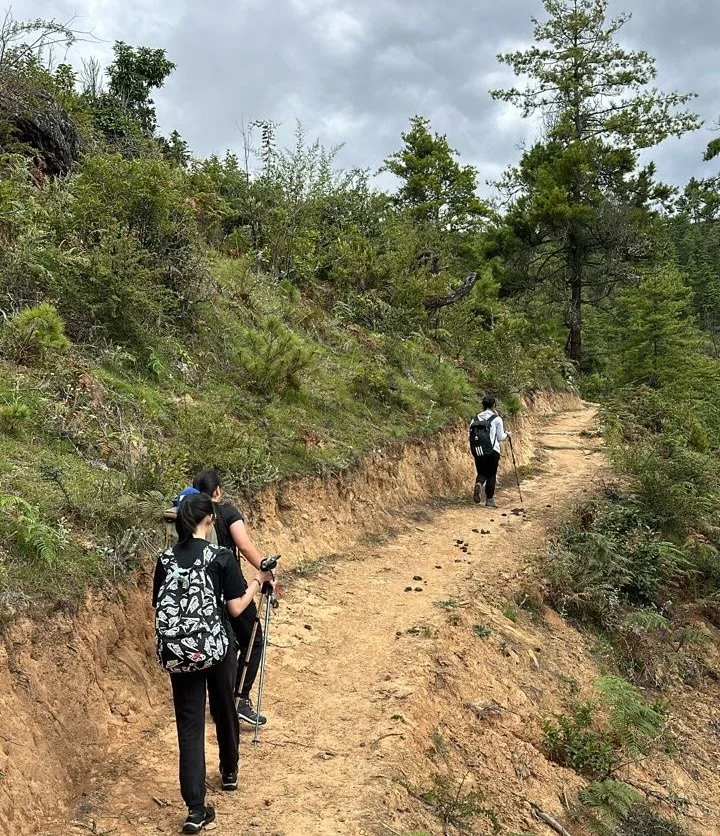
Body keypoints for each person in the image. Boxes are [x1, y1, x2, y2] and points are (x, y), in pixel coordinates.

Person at [153, 492, 274, 833]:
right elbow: (236, 608)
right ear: (208, 520)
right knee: (224, 707)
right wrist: (259, 580)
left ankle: (195, 809)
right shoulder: (220, 557)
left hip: (179, 654)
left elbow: (160, 607)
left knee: (189, 728)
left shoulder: (165, 560)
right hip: (216, 648)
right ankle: (229, 772)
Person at [192, 468, 272, 726]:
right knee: (253, 640)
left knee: (224, 645)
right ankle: (240, 699)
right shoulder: (227, 512)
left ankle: (220, 703)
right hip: (231, 587)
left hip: (203, 592)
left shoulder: (189, 514)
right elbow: (245, 545)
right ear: (217, 491)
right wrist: (265, 570)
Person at [469, 395, 510, 509]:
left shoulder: (475, 419)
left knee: (482, 472)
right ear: (494, 405)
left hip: (479, 451)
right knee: (491, 474)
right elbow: (501, 437)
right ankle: (489, 500)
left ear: (483, 405)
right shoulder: (496, 419)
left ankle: (479, 483)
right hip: (493, 451)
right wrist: (508, 434)